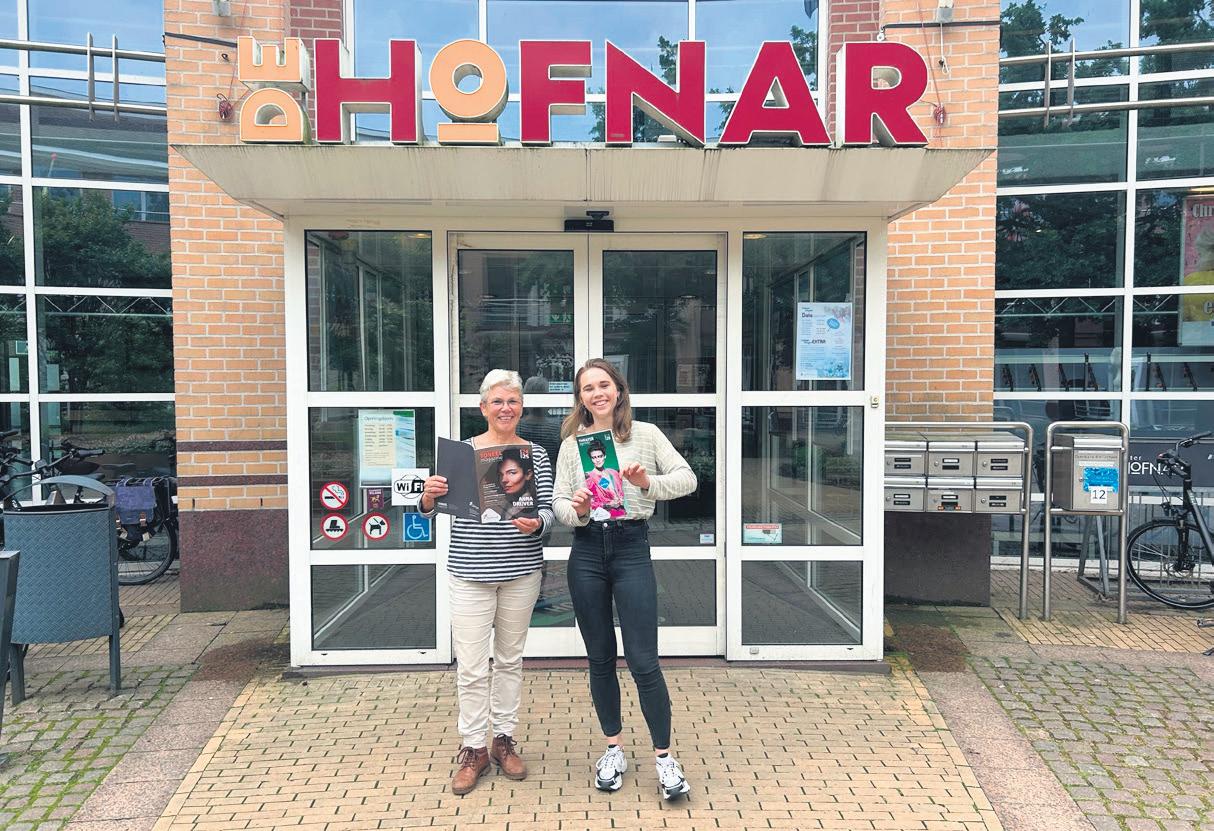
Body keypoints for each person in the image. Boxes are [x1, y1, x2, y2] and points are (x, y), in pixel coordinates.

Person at [552, 358, 697, 801]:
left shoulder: (646, 435)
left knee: (643, 659)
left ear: (618, 390)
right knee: (600, 658)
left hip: (631, 546)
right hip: (587, 551)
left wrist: (647, 482)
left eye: (604, 385)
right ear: (580, 398)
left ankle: (665, 758)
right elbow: (559, 502)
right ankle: (613, 749)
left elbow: (687, 479)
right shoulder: (572, 445)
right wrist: (576, 508)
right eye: (588, 388)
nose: (597, 393)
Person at [419, 369, 554, 796]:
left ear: (522, 407)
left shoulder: (536, 455)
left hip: (520, 573)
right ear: (482, 407)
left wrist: (538, 524)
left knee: (510, 661)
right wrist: (428, 496)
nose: (505, 408)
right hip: (470, 574)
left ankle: (504, 741)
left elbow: (549, 510)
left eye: (512, 401)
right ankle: (474, 748)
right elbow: (432, 510)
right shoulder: (461, 454)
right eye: (497, 401)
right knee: (472, 667)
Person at [583, 438, 625, 519]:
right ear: (591, 459)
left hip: (622, 514)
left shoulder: (613, 472)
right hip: (605, 517)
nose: (597, 460)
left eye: (600, 456)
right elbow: (590, 503)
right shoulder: (590, 477)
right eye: (594, 457)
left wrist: (622, 499)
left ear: (604, 456)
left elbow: (621, 491)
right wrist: (607, 505)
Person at [495, 447, 537, 521]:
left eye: (512, 473)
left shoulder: (536, 508)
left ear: (528, 474)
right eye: (500, 474)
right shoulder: (506, 505)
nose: (504, 480)